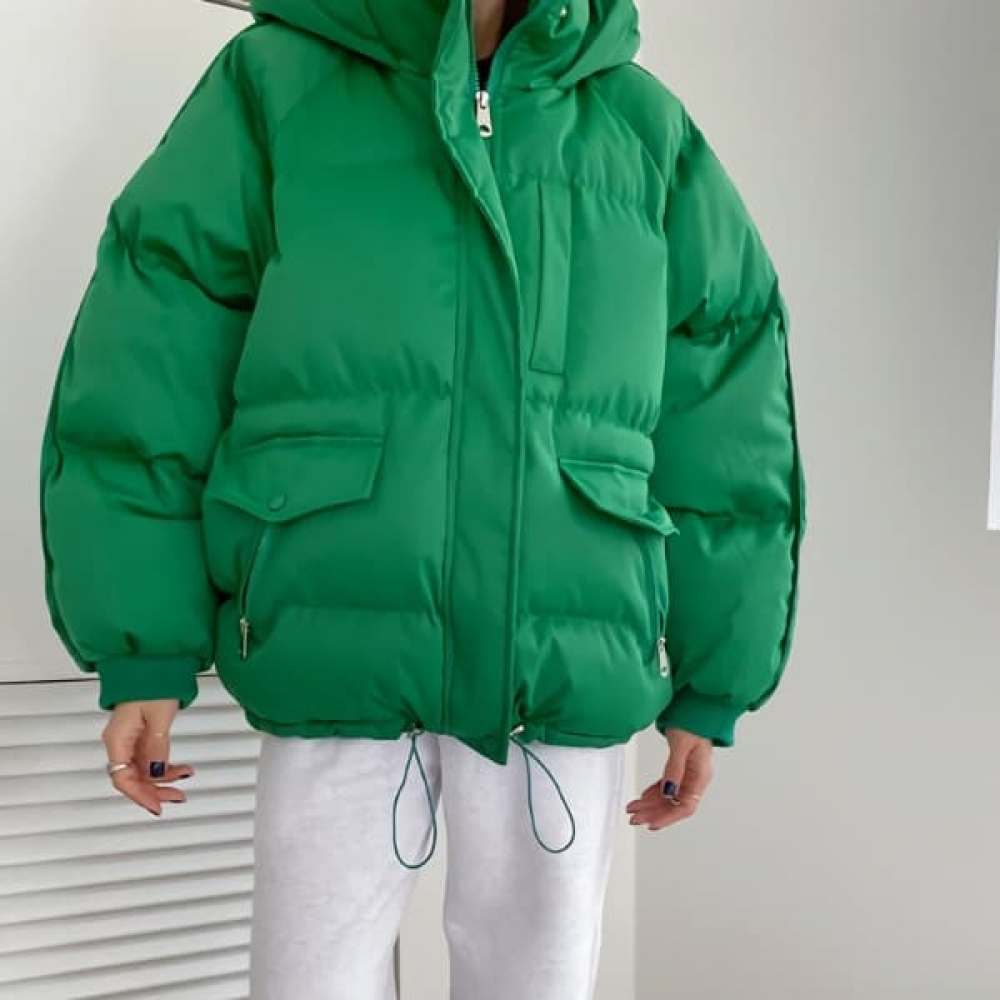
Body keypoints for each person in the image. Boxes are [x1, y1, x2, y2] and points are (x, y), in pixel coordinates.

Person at [38, 0, 805, 997]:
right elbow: (150, 360)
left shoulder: (641, 129)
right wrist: (141, 642)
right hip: (336, 639)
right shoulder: (274, 85)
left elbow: (728, 425)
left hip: (559, 653)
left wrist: (714, 677)